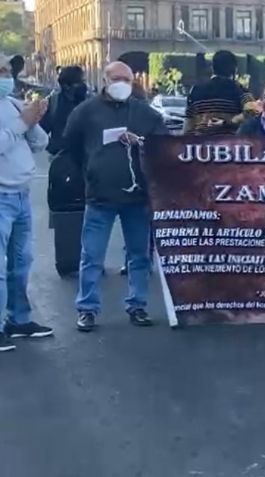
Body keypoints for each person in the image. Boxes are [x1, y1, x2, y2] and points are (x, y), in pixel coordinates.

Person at [62, 61, 168, 332]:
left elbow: (163, 148)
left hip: (138, 198)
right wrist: (90, 172)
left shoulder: (147, 114)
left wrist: (141, 143)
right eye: (116, 78)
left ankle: (138, 305)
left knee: (139, 255)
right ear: (105, 81)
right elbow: (71, 145)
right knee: (92, 255)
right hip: (100, 197)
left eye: (126, 79)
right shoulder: (85, 112)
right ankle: (87, 309)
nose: (122, 83)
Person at [0, 52, 53, 352]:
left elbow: (40, 143)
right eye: (1, 71)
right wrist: (22, 122)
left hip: (20, 194)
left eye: (8, 71)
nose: (7, 77)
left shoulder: (11, 104)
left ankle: (18, 320)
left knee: (21, 262)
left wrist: (34, 119)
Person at [183, 50, 255, 136]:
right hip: (229, 144)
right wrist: (229, 121)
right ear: (235, 69)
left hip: (201, 144)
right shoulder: (239, 90)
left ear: (212, 68)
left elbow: (188, 123)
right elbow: (254, 111)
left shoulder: (195, 89)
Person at [39, 66, 90, 157]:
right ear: (66, 86)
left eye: (84, 82)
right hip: (63, 159)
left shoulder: (91, 102)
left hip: (89, 158)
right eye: (79, 83)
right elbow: (40, 132)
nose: (83, 85)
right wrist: (55, 148)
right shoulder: (54, 103)